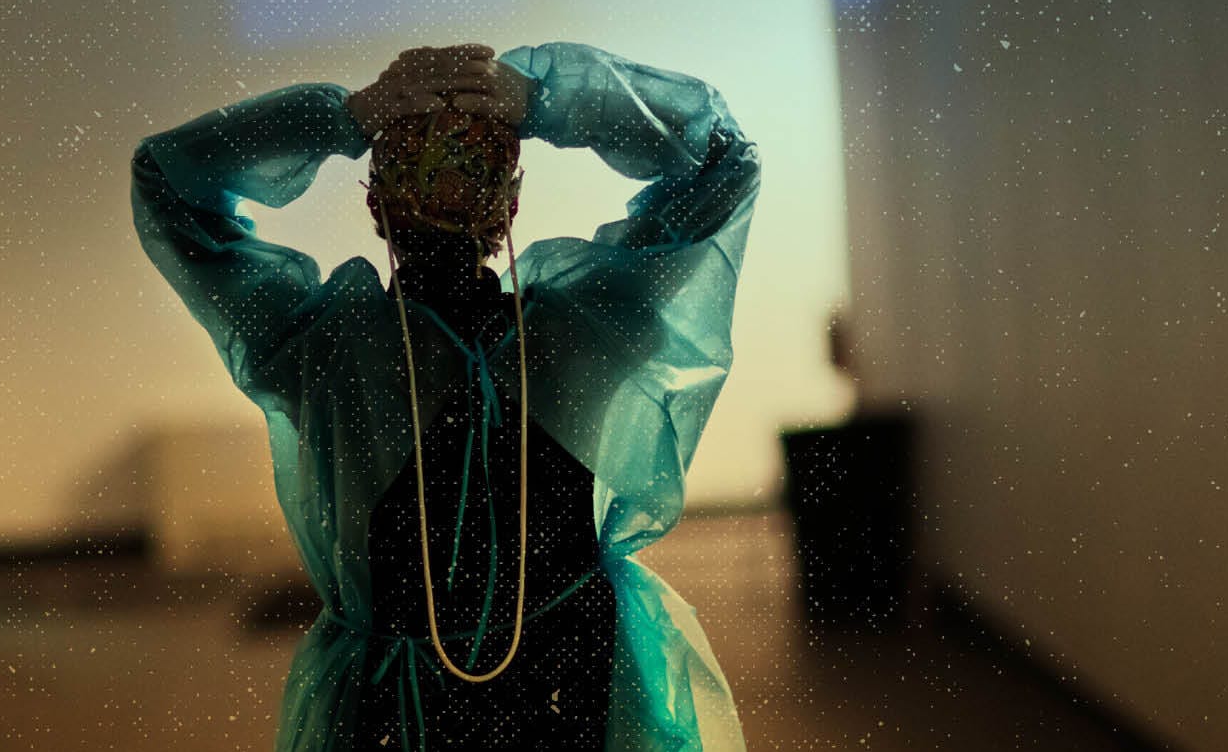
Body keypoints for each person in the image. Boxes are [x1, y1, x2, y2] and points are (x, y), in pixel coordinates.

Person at [131, 42, 760, 751]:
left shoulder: (323, 350)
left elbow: (167, 185)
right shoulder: (585, 330)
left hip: (403, 719)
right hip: (574, 696)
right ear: (512, 200)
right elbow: (725, 162)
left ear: (375, 204)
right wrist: (555, 99)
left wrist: (340, 120)